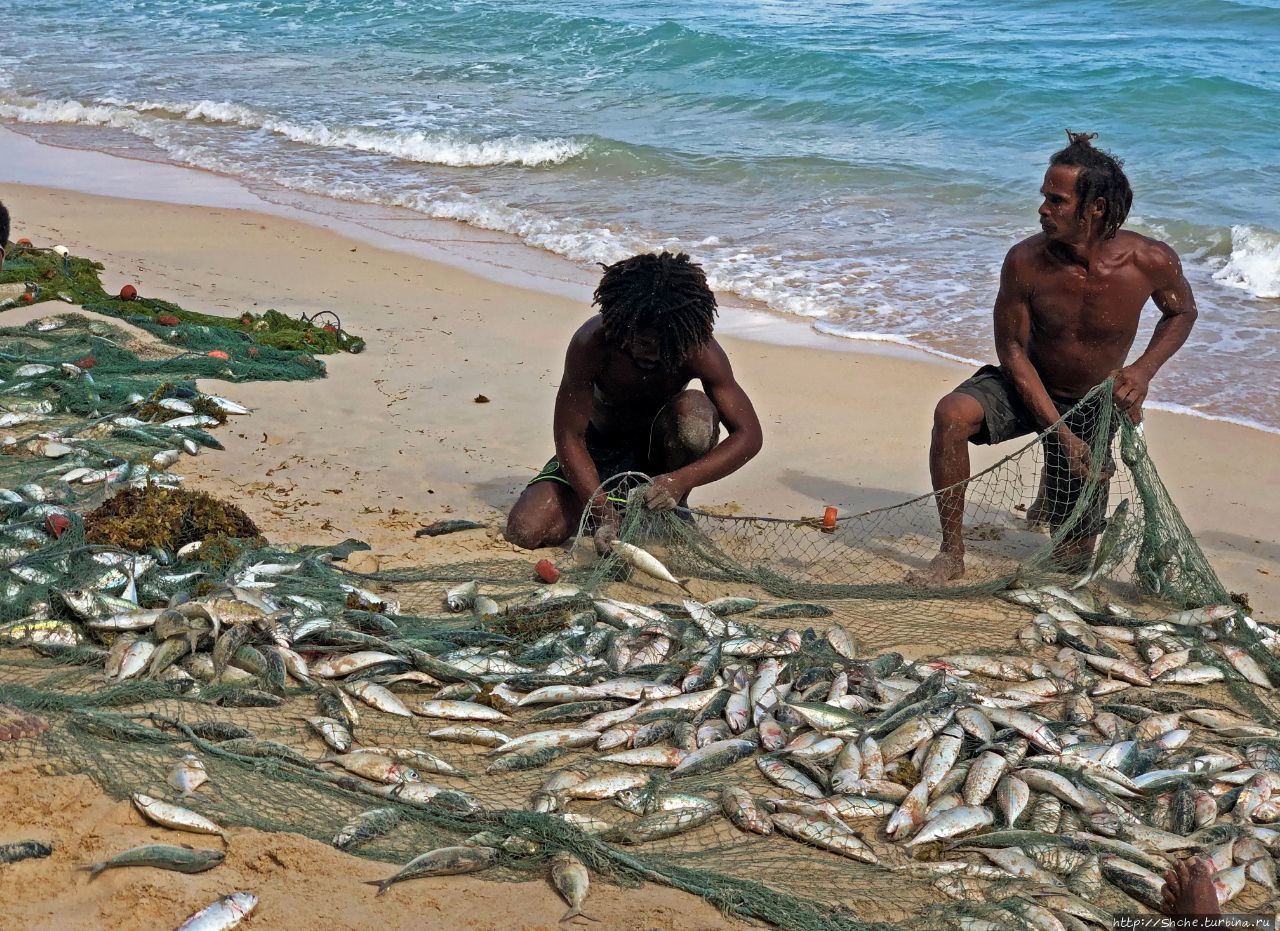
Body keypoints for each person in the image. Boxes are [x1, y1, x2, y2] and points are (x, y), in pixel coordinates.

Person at [911, 131, 1197, 585]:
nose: (1043, 209)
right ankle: (951, 552)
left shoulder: (1150, 260)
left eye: (1056, 201)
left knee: (1071, 563)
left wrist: (1143, 371)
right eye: (1045, 197)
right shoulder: (1025, 261)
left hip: (1091, 405)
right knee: (951, 414)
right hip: (1027, 386)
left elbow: (1181, 312)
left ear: (1096, 207)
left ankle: (1055, 487)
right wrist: (1060, 435)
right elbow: (1011, 351)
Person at [504, 251, 763, 551]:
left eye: (662, 345)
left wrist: (680, 481)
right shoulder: (591, 343)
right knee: (526, 531)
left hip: (659, 457)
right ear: (620, 325)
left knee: (694, 410)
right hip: (597, 451)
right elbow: (569, 437)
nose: (649, 353)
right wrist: (601, 511)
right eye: (641, 341)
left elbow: (749, 435)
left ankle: (674, 506)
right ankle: (612, 509)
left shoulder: (698, 350)